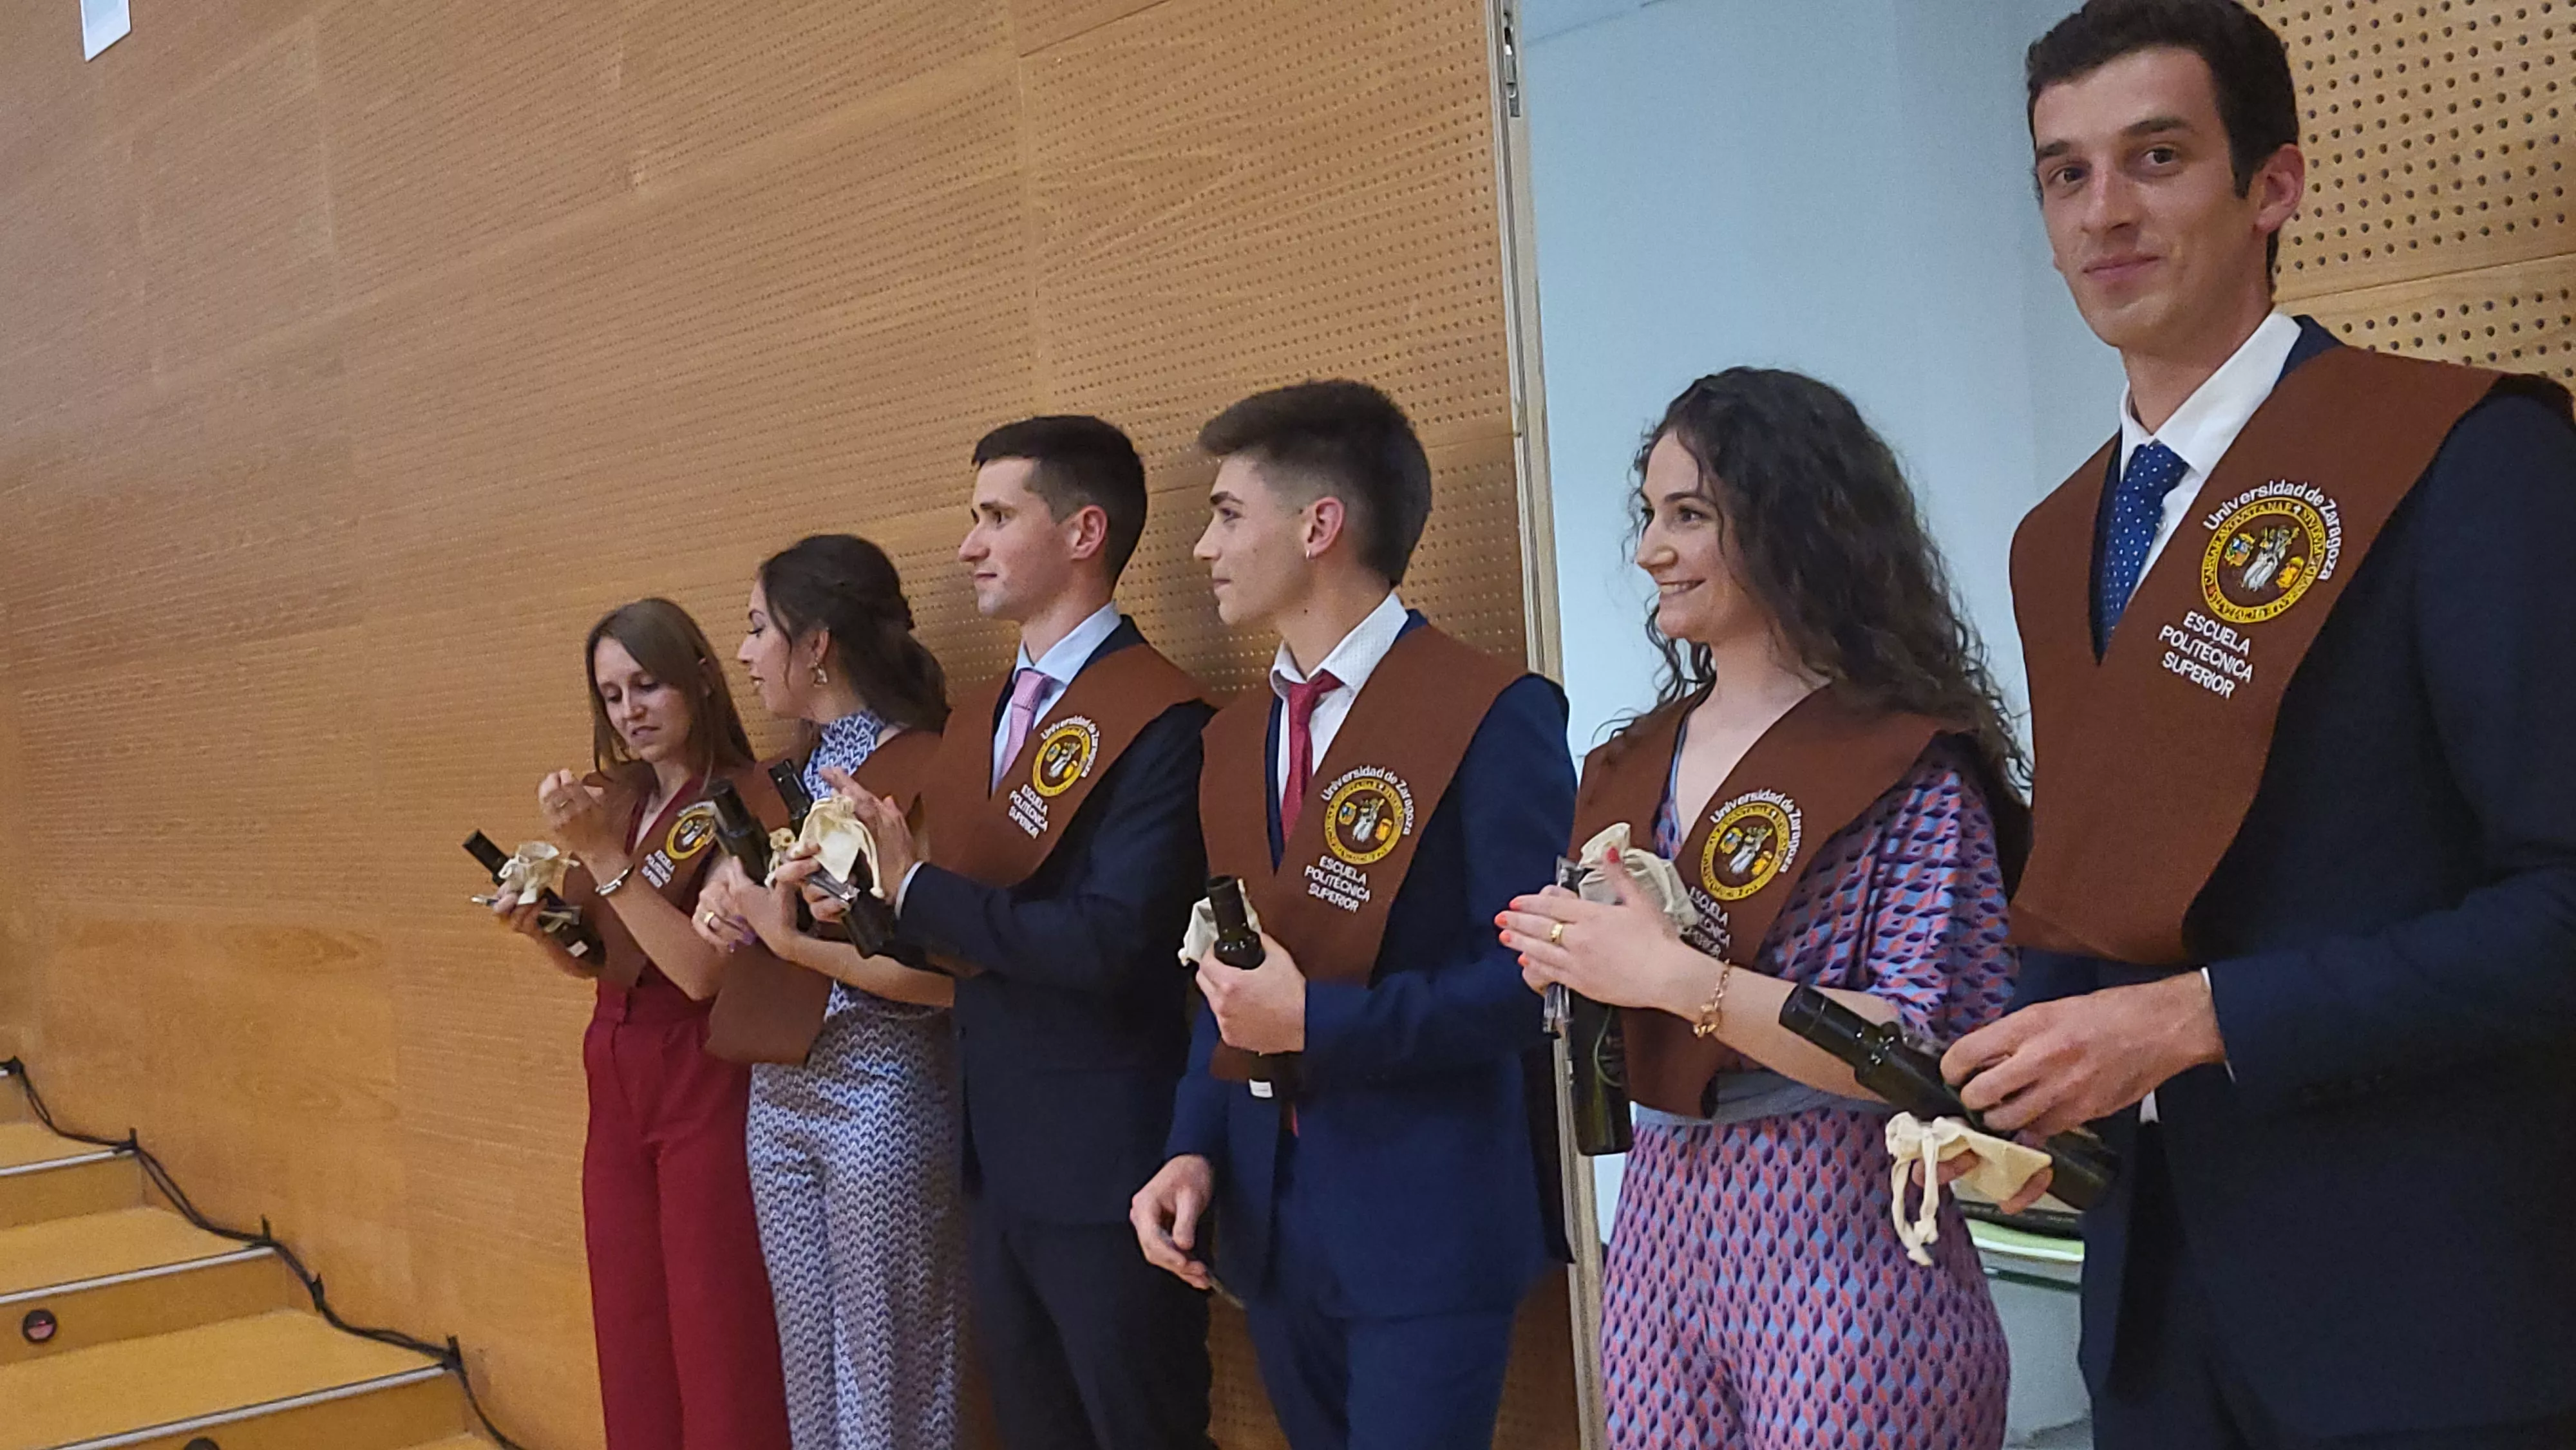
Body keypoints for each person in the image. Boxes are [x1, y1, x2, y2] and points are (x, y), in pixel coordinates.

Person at [1936, 3, 2576, 1446]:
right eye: (2063, 173)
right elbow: (2108, 889)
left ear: (2270, 186)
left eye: (2153, 157)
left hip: (2424, 1312)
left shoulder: (2464, 460)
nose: (2104, 212)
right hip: (2153, 1311)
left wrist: (2197, 1020)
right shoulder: (2058, 539)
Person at [1499, 371, 2023, 1450]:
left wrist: (1673, 980)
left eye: (1689, 515)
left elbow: (1932, 1044)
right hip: (1658, 1221)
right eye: (1650, 516)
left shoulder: (1908, 764)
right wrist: (1571, 957)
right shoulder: (1628, 760)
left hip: (1845, 1219)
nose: (1651, 549)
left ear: (1796, 519)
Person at [1130, 380, 1574, 1450]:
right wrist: (1191, 1144)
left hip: (1425, 1220)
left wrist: (1317, 1026)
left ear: (1319, 523)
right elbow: (1224, 974)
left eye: (1228, 514)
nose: (1202, 547)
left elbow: (1532, 981)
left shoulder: (1488, 711)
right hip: (1273, 1220)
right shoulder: (1233, 742)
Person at [829, 418, 1217, 1450]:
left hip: (1111, 1167)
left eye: (997, 517)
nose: (969, 545)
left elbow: (1110, 946)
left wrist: (913, 893)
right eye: (975, 518)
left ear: (1085, 531)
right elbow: (958, 922)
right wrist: (860, 891)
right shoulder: (992, 709)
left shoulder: (1166, 720)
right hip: (995, 1159)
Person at [492, 598, 792, 1450]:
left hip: (702, 1071)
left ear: (701, 677)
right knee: (630, 1330)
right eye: (612, 695)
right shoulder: (618, 797)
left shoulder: (750, 795)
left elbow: (700, 972)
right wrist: (543, 930)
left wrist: (603, 857)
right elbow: (600, 957)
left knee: (717, 1333)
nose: (631, 711)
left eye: (647, 685)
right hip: (615, 1064)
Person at [689, 535, 964, 1450]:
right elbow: (759, 940)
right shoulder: (777, 782)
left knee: (890, 1372)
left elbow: (949, 980)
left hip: (882, 1088)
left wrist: (792, 943)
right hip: (780, 1090)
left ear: (818, 646)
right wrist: (723, 913)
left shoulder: (925, 767)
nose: (743, 653)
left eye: (759, 627)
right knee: (809, 1367)